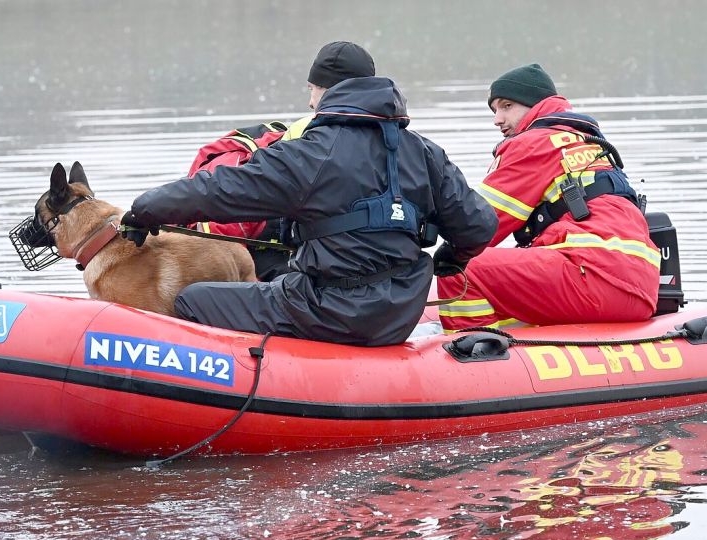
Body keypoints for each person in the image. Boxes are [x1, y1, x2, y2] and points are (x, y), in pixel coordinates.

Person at [120, 59, 497, 346]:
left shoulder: (308, 155)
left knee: (194, 299)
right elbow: (479, 225)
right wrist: (452, 258)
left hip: (329, 311)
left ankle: (254, 385)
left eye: (313, 90)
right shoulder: (426, 152)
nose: (309, 100)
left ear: (329, 92)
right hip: (399, 313)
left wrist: (144, 209)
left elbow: (217, 190)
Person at [437, 63, 660, 332]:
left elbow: (476, 226)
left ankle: (474, 355)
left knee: (457, 269)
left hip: (594, 278)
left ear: (535, 106)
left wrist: (417, 234)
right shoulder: (581, 139)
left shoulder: (533, 143)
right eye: (495, 109)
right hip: (640, 289)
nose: (497, 118)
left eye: (507, 106)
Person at [187, 41, 377, 282]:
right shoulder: (278, 162)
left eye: (312, 89)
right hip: (245, 254)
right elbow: (215, 249)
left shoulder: (343, 152)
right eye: (309, 89)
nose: (309, 102)